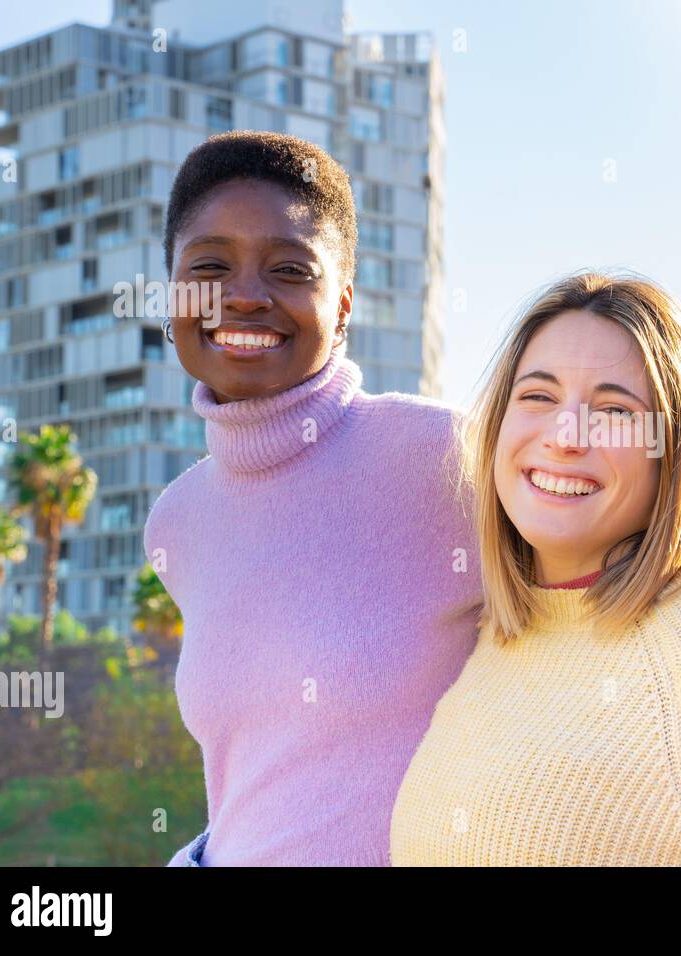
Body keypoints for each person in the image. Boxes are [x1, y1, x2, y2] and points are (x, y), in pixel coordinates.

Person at [144, 130, 481, 866]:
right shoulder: (177, 520)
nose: (244, 296)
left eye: (290, 269)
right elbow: (262, 776)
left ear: (344, 301)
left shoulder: (453, 459)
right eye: (209, 266)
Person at [389, 272, 681, 865]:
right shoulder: (494, 634)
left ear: (675, 449)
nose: (565, 437)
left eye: (615, 410)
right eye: (538, 397)